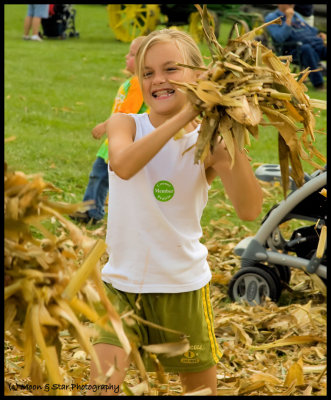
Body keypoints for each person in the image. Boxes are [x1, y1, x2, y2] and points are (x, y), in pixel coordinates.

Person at [88, 29, 263, 396]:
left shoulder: (209, 145)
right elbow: (122, 165)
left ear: (200, 76)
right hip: (120, 285)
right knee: (99, 388)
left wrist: (233, 134)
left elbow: (249, 210)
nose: (158, 80)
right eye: (148, 73)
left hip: (181, 287)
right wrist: (184, 114)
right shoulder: (125, 124)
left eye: (171, 68)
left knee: (199, 392)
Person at [70, 36, 148, 224]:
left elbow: (126, 115)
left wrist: (104, 126)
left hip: (122, 142)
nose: (126, 56)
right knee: (100, 174)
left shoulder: (138, 85)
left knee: (102, 175)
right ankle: (92, 209)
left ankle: (93, 212)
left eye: (131, 54)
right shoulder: (131, 83)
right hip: (114, 140)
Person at [265, 4, 327, 90]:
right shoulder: (272, 17)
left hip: (314, 44)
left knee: (312, 48)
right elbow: (279, 38)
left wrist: (319, 35)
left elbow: (310, 29)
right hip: (293, 49)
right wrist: (288, 20)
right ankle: (319, 84)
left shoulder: (296, 15)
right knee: (307, 49)